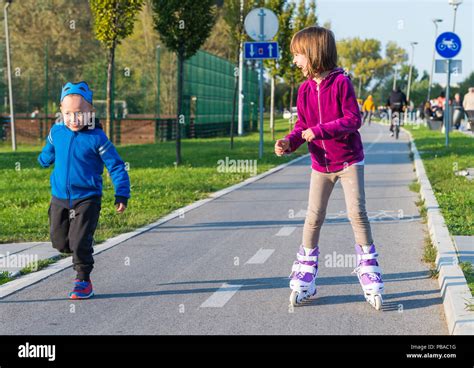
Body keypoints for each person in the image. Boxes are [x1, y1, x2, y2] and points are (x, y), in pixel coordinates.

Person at [274, 26, 384, 310]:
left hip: (348, 160)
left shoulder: (341, 83)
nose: (295, 61)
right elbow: (301, 127)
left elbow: (352, 119)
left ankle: (368, 268)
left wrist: (320, 130)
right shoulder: (305, 90)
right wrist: (289, 142)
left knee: (357, 213)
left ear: (313, 53)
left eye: (298, 55)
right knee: (313, 216)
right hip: (320, 165)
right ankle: (307, 271)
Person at [38, 81, 131, 299]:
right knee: (59, 242)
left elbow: (116, 165)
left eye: (80, 113)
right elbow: (50, 149)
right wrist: (44, 159)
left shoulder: (97, 138)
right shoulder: (57, 131)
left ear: (91, 111)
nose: (74, 118)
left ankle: (83, 279)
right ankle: (77, 246)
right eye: (68, 113)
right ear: (61, 111)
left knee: (79, 241)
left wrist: (122, 193)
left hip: (87, 197)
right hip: (59, 197)